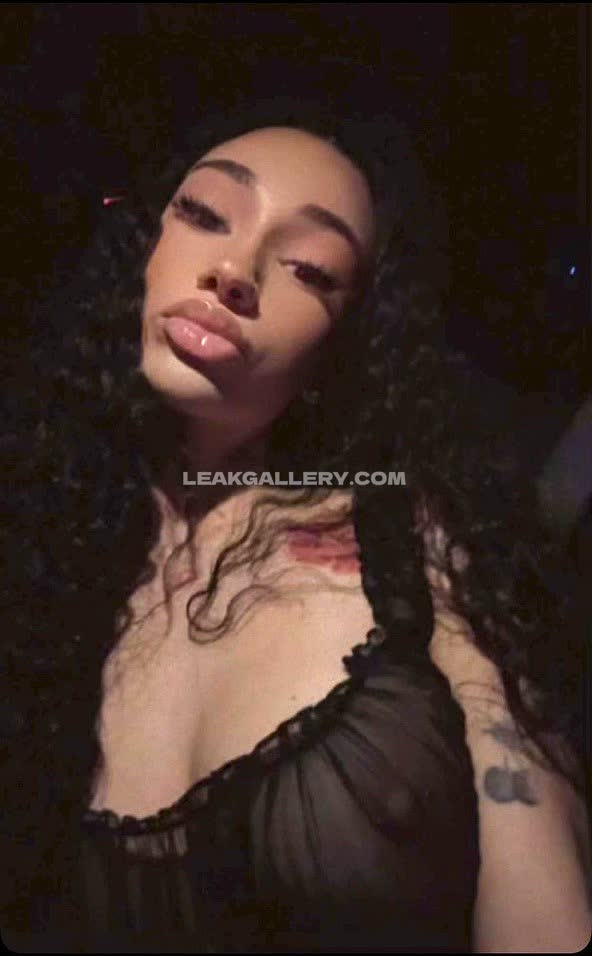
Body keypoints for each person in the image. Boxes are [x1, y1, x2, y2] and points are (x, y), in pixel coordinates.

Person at [1, 95, 589, 953]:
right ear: (144, 248)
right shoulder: (34, 534)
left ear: (338, 349)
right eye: (206, 214)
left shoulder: (415, 544)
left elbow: (546, 909)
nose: (235, 270)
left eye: (310, 269)